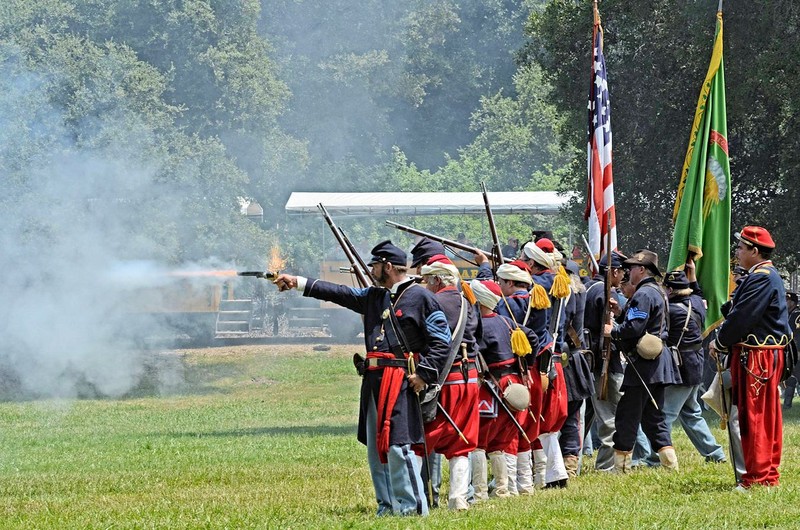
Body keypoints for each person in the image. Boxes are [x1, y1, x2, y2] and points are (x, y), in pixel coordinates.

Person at [274, 240, 452, 516]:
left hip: (400, 380)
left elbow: (442, 341)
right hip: (373, 380)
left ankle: (412, 508)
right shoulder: (374, 296)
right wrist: (297, 281)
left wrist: (424, 374)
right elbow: (338, 292)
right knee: (375, 447)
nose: (373, 271)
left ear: (388, 266)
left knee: (397, 446)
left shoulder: (422, 297)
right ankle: (387, 504)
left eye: (377, 266)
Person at [710, 226, 792, 490]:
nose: (737, 252)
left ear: (754, 251)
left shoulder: (762, 277)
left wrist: (720, 342)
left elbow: (742, 318)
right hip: (758, 354)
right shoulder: (760, 275)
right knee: (758, 415)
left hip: (758, 356)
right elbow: (736, 309)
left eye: (741, 248)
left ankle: (757, 477)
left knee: (754, 416)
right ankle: (763, 474)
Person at [606, 249, 681, 473]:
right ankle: (670, 464)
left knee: (627, 415)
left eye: (631, 268)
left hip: (645, 364)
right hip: (655, 363)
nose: (628, 272)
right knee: (653, 417)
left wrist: (614, 331)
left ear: (642, 270)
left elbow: (636, 327)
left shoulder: (643, 294)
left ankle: (621, 466)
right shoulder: (655, 291)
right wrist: (620, 313)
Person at [644, 264, 725, 466]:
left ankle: (656, 458)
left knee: (664, 416)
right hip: (695, 365)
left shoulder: (668, 310)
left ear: (670, 290)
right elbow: (697, 292)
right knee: (692, 414)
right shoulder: (696, 303)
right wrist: (694, 275)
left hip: (680, 369)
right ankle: (715, 454)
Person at [418, 254, 480, 510]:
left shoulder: (432, 301)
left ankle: (419, 496)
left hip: (447, 377)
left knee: (424, 438)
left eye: (427, 280)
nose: (425, 285)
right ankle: (458, 497)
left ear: (436, 279)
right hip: (471, 376)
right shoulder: (467, 302)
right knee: (462, 442)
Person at [469, 279, 537, 500]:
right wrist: (527, 366)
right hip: (513, 385)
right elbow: (533, 338)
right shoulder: (507, 322)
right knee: (500, 443)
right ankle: (502, 489)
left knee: (479, 442)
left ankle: (479, 492)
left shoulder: (479, 327)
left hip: (492, 388)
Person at [583, 250, 627, 471]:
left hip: (591, 360)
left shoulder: (589, 288)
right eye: (622, 272)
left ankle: (568, 461)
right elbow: (610, 331)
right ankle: (605, 466)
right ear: (615, 271)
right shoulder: (607, 292)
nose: (623, 276)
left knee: (588, 416)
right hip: (605, 361)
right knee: (611, 417)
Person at [781, 291, 800, 409]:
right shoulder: (788, 314)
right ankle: (787, 405)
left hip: (797, 350)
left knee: (793, 376)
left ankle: (787, 405)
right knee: (792, 376)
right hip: (792, 350)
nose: (785, 302)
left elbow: (798, 334)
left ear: (793, 302)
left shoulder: (797, 314)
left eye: (787, 300)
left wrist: (797, 350)